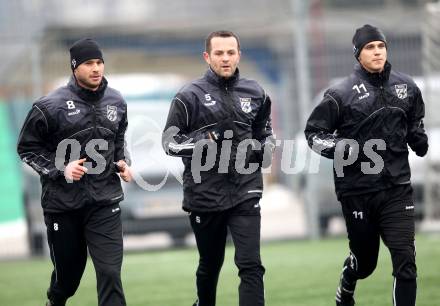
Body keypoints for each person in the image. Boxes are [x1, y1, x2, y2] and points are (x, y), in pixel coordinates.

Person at [305, 24, 428, 306]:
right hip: (357, 191)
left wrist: (418, 139)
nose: (377, 52)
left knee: (405, 260)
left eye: (380, 46)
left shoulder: (406, 87)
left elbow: (413, 121)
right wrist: (340, 148)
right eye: (370, 47)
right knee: (366, 263)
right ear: (358, 54)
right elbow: (313, 135)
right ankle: (348, 281)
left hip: (397, 189)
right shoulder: (340, 94)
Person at [162, 30, 275, 306]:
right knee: (210, 265)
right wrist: (206, 140)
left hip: (246, 190)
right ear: (207, 56)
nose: (225, 58)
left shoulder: (255, 91)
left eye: (230, 52)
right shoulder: (189, 96)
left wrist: (266, 149)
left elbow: (265, 132)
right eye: (219, 53)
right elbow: (170, 143)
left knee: (251, 265)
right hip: (205, 194)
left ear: (239, 55)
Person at [17, 38, 132, 306]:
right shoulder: (49, 106)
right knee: (67, 280)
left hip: (105, 202)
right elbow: (27, 149)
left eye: (99, 62)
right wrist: (61, 168)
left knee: (110, 273)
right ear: (74, 67)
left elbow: (117, 138)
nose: (96, 68)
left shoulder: (116, 100)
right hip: (63, 206)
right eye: (89, 63)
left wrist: (121, 161)